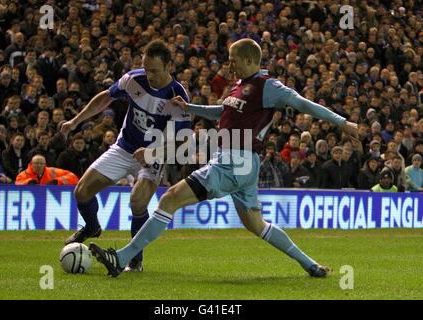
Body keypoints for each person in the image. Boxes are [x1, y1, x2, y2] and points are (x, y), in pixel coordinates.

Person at [89, 38, 358, 278]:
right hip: (240, 164)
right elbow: (222, 112)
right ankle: (310, 265)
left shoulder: (268, 86)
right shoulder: (239, 87)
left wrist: (342, 122)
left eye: (233, 60)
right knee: (256, 224)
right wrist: (189, 108)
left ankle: (122, 258)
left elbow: (303, 104)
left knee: (170, 198)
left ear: (251, 60)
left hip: (235, 159)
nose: (230, 65)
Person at [60, 40, 191, 272]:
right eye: (146, 68)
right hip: (124, 147)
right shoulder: (134, 79)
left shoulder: (177, 95)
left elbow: (182, 140)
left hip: (154, 156)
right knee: (81, 192)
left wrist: (153, 152)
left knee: (137, 201)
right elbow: (105, 98)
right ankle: (91, 227)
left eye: (154, 70)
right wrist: (75, 121)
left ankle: (135, 260)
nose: (148, 75)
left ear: (169, 66)